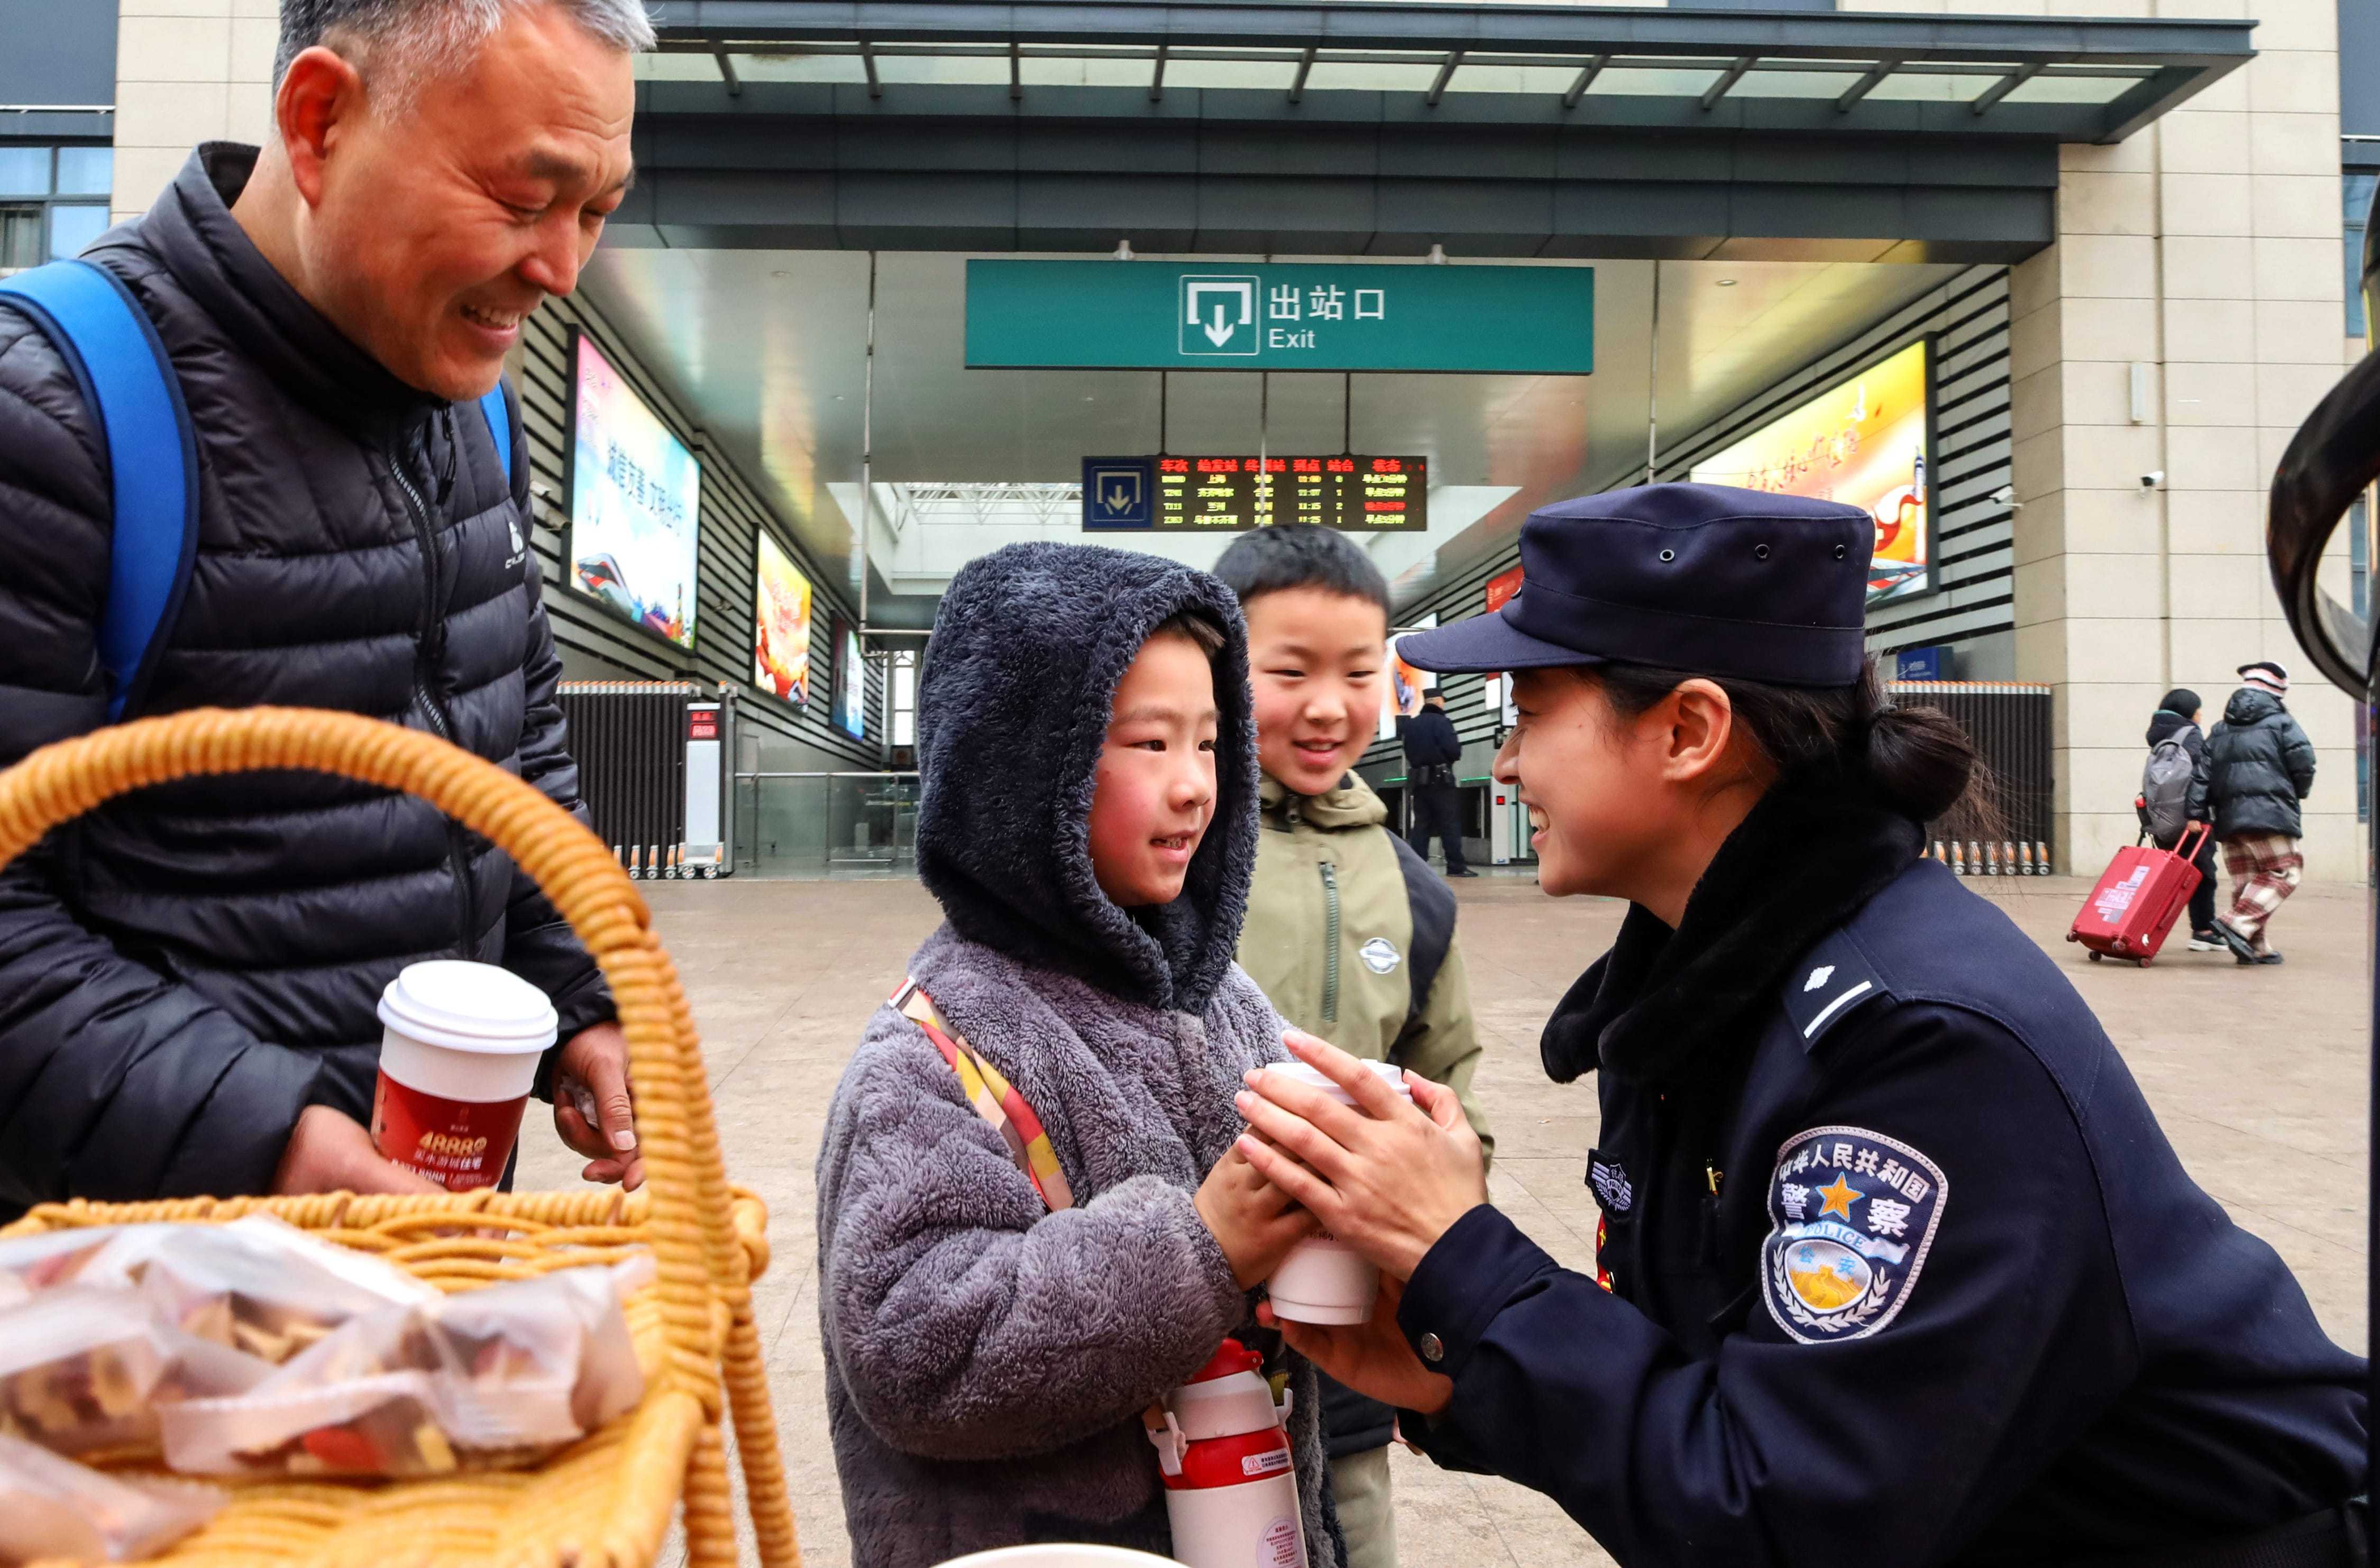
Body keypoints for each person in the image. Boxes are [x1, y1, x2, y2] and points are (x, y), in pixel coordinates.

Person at [1232, 484, 2366, 1567]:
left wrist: (1466, 1264)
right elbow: (1719, 1390)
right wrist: (1454, 1370)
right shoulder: (1702, 986)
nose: (1513, 760)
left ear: (1688, 730)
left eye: (1531, 712)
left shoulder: (1918, 1045)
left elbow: (1790, 1518)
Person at [0, 0, 655, 1214]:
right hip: (159, 1301)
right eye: (524, 199)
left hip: (425, 1256)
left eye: (595, 211)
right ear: (319, 122)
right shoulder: (53, 415)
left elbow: (516, 747)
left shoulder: (476, 412)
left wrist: (583, 993)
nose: (561, 270)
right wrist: (271, 1135)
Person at [813, 542, 1343, 1568]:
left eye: (1210, 742)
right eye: (1149, 743)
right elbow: (912, 1349)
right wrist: (1200, 1249)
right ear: (1024, 767)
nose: (1195, 786)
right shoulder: (928, 1054)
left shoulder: (1230, 1002)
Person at [1214, 523, 1494, 1568]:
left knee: (1351, 1530)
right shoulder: (1173, 856)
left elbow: (1450, 1076)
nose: (1330, 704)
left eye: (1361, 672)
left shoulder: (1411, 888)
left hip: (1353, 1335)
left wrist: (1440, 1237)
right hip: (1190, 1320)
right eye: (1288, 671)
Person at [2192, 661, 2317, 967]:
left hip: (2229, 819)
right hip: (2270, 813)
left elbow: (2201, 774)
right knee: (2285, 870)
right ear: (2277, 693)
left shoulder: (2220, 730)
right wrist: (2297, 792)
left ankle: (2255, 945)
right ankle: (2236, 924)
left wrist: (2196, 811)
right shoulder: (2283, 723)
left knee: (2248, 883)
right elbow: (2304, 763)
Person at [2143, 687, 2222, 950]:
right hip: (2191, 822)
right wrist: (2196, 814)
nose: (2201, 714)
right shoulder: (2191, 736)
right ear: (2189, 711)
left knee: (2170, 876)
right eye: (2198, 709)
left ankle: (2142, 926)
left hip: (2165, 820)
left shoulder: (2161, 735)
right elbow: (2200, 779)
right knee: (2203, 875)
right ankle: (2204, 931)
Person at [1400, 690, 1473, 876]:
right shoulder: (1443, 723)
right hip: (1442, 781)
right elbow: (1453, 750)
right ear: (1439, 702)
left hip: (1419, 781)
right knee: (1449, 824)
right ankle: (1456, 867)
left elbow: (1408, 751)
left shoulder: (1412, 725)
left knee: (1421, 825)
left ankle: (1418, 868)